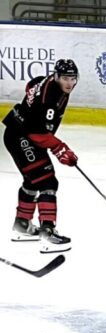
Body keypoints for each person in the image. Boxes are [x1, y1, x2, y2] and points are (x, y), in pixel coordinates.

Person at [2, 58, 79, 253]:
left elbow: (31, 84)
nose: (70, 83)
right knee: (47, 182)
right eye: (65, 78)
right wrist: (60, 149)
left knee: (33, 180)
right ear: (56, 76)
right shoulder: (51, 98)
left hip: (16, 133)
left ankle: (22, 225)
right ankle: (47, 233)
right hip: (23, 137)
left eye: (73, 78)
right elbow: (38, 133)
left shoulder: (47, 82)